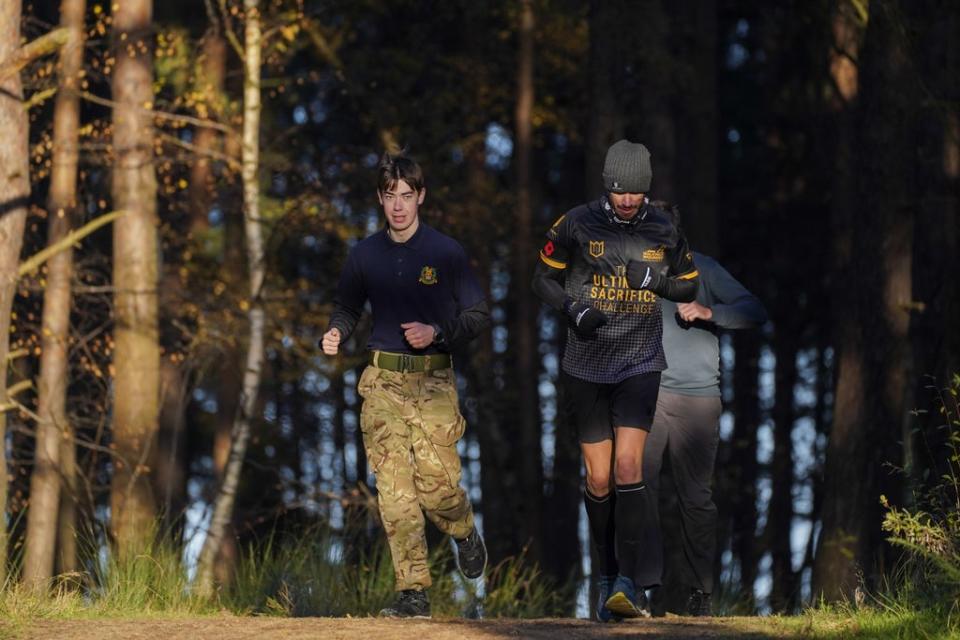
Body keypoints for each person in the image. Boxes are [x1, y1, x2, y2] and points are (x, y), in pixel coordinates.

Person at [531, 140, 700, 621]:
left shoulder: (664, 227)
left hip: (640, 361)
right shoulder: (576, 223)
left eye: (636, 192)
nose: (627, 200)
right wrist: (573, 307)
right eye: (619, 191)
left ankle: (630, 582)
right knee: (598, 477)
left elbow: (688, 283)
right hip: (585, 365)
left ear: (647, 191)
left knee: (629, 469)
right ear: (607, 186)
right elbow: (539, 279)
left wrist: (657, 282)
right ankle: (606, 574)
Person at [321, 151, 490, 618]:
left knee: (436, 490)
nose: (399, 205)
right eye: (390, 196)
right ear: (380, 199)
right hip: (382, 383)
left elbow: (477, 314)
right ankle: (412, 593)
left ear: (421, 197)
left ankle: (464, 530)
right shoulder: (365, 255)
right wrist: (336, 331)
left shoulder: (445, 253)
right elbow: (348, 306)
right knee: (394, 492)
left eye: (407, 196)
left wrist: (437, 333)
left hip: (434, 382)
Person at [642, 245, 767, 616]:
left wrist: (708, 311)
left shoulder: (704, 269)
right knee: (637, 490)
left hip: (696, 399)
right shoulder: (629, 269)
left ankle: (699, 593)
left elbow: (755, 311)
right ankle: (640, 589)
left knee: (696, 498)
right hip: (644, 395)